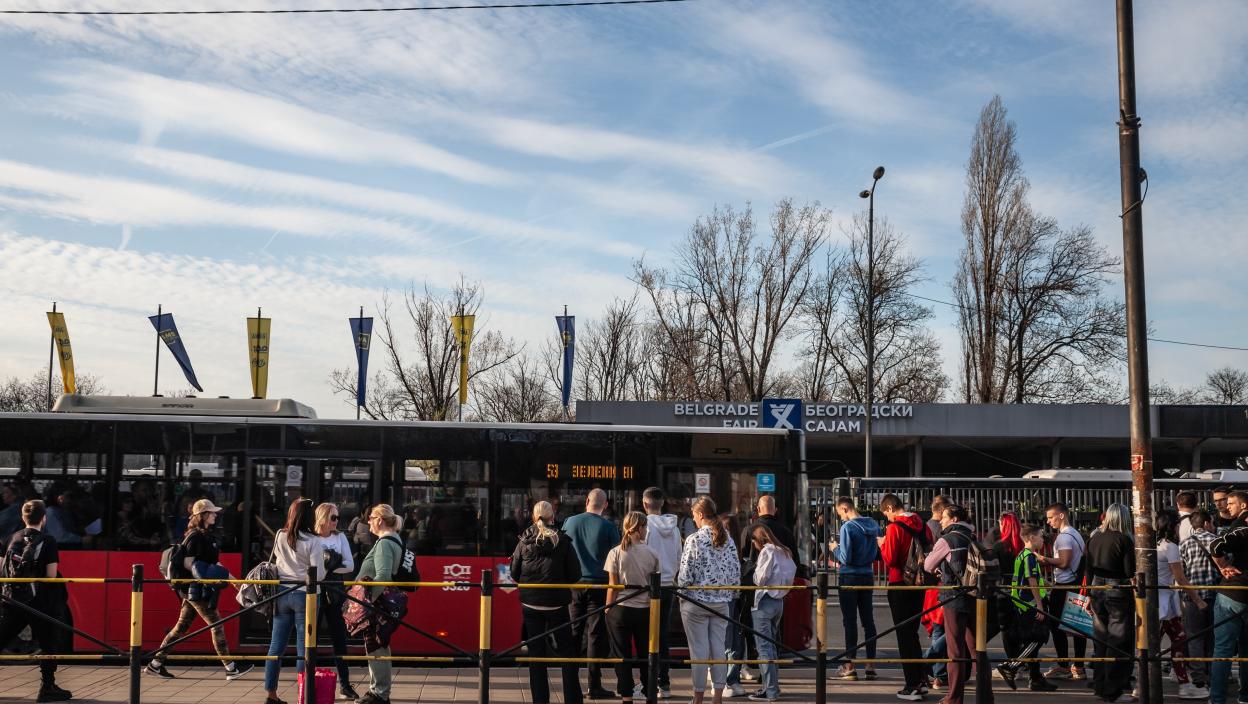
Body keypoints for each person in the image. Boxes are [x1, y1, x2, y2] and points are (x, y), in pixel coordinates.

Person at [146, 499, 253, 682]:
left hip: (195, 590)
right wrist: (207, 575)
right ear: (203, 515)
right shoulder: (195, 537)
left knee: (181, 627)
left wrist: (234, 581)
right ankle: (231, 668)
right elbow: (189, 563)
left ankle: (155, 664)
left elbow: (214, 563)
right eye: (212, 512)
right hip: (196, 590)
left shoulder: (206, 536)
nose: (215, 515)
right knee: (216, 624)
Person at [511, 501, 584, 704]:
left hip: (531, 605)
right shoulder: (563, 541)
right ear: (553, 516)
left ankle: (540, 699)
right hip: (557, 605)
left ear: (534, 517)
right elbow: (575, 575)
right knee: (567, 653)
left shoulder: (523, 541)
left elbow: (514, 574)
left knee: (536, 654)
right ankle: (572, 699)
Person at [0, 500, 72, 702]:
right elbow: (51, 575)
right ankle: (47, 687)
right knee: (49, 643)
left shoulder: (11, 538)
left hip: (13, 601)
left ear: (23, 517)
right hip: (39, 604)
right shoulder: (48, 541)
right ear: (44, 518)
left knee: (2, 638)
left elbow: (1, 569)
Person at [924, 504, 994, 704]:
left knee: (955, 651)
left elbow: (928, 565)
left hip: (954, 598)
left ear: (954, 519)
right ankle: (985, 696)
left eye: (944, 517)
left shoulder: (947, 540)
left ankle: (954, 698)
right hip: (976, 598)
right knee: (977, 649)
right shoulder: (973, 537)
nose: (941, 521)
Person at [677, 496, 740, 704]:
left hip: (696, 602)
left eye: (694, 515)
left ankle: (698, 698)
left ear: (701, 514)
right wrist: (730, 594)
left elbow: (685, 575)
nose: (693, 519)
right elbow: (735, 573)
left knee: (699, 652)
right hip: (721, 603)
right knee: (718, 650)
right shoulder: (728, 539)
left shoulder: (694, 539)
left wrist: (682, 596)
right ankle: (718, 697)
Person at [264, 498, 325, 704]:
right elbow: (318, 574)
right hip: (305, 596)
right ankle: (303, 695)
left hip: (282, 593)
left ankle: (271, 694)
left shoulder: (280, 535)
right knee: (304, 648)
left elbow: (276, 561)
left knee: (276, 647)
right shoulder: (314, 541)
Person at [563, 488, 622, 701]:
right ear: (605, 505)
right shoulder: (609, 527)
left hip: (574, 586)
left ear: (587, 501)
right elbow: (617, 558)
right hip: (599, 586)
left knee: (573, 633)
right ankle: (594, 685)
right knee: (595, 635)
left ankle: (570, 684)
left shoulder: (569, 522)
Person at [879, 493, 933, 698]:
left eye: (886, 514)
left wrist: (882, 544)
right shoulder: (922, 524)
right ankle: (920, 679)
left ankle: (912, 685)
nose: (887, 518)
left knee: (904, 635)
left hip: (899, 582)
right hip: (918, 583)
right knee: (912, 632)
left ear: (890, 508)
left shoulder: (894, 528)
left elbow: (891, 559)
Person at [605, 511, 659, 704]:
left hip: (620, 609)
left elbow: (613, 586)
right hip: (644, 610)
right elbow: (655, 585)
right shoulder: (652, 554)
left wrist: (607, 608)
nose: (647, 531)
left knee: (622, 655)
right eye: (646, 527)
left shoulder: (615, 553)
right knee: (646, 654)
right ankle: (649, 691)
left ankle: (626, 696)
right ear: (640, 528)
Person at [995, 522, 1055, 692]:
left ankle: (1035, 678)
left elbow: (1031, 579)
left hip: (1023, 604)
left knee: (1031, 640)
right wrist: (1039, 606)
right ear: (1031, 538)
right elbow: (1032, 581)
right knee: (1038, 638)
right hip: (1030, 605)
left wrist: (1049, 586)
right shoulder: (1029, 557)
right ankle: (1011, 666)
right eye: (1041, 536)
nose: (1043, 539)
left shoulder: (1022, 555)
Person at [1085, 504, 1136, 703]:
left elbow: (1088, 568)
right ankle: (1113, 689)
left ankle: (1099, 684)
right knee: (1118, 639)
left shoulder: (1094, 537)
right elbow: (1129, 571)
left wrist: (1088, 593)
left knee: (1101, 638)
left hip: (1096, 587)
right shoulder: (1124, 539)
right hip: (1117, 588)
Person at [827, 496, 880, 684]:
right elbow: (876, 553)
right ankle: (870, 666)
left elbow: (845, 558)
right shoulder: (873, 524)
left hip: (849, 576)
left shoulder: (847, 528)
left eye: (839, 513)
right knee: (868, 621)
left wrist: (835, 548)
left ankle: (850, 666)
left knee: (850, 621)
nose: (840, 517)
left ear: (844, 508)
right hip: (867, 574)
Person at [1155, 509, 1206, 700]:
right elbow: (1181, 578)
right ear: (1173, 527)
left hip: (1162, 604)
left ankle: (1184, 683)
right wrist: (1198, 600)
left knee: (1178, 640)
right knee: (1172, 642)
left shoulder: (1156, 545)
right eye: (1177, 525)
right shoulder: (1171, 547)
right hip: (1163, 605)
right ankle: (1147, 686)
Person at [356, 504, 404, 704]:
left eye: (371, 518)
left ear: (380, 520)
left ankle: (379, 693)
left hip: (376, 604)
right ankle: (378, 690)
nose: (368, 521)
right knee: (378, 645)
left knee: (376, 646)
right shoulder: (394, 539)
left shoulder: (385, 543)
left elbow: (383, 575)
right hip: (380, 602)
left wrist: (366, 603)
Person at [1036, 501, 1087, 681]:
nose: (1048, 522)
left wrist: (1044, 559)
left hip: (1064, 585)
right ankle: (1079, 667)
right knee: (1077, 627)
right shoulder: (1075, 534)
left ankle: (1064, 666)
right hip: (1076, 584)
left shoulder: (1064, 537)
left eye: (1051, 517)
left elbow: (1064, 562)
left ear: (1062, 515)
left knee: (1056, 626)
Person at [315, 502, 360, 701]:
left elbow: (349, 565)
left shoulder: (340, 537)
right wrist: (332, 564)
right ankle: (309, 681)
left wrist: (326, 568)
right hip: (315, 591)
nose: (336, 521)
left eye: (337, 517)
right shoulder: (311, 537)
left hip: (334, 590)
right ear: (322, 518)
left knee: (339, 638)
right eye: (333, 517)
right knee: (311, 638)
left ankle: (345, 685)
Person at [748, 523, 796, 703]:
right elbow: (791, 573)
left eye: (753, 541)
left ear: (759, 539)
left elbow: (760, 579)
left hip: (764, 600)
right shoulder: (785, 551)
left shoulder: (767, 551)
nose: (754, 545)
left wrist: (754, 573)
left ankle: (770, 691)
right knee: (772, 646)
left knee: (764, 648)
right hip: (779, 601)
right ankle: (772, 687)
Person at [642, 486, 681, 700]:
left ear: (645, 504)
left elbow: (643, 556)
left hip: (649, 586)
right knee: (662, 634)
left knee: (646, 634)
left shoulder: (644, 527)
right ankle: (664, 683)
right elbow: (679, 557)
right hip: (668, 586)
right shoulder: (674, 529)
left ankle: (647, 682)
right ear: (662, 503)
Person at [1209, 490, 1248, 704]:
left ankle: (1217, 699)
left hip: (1233, 593)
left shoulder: (1242, 526)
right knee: (1246, 650)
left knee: (1223, 649)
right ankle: (1245, 696)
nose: (1226, 506)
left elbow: (1215, 545)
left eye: (1231, 503)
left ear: (1243, 506)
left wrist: (1222, 565)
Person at [1179, 509, 1219, 697]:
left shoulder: (1184, 544)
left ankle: (1198, 677)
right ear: (1206, 523)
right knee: (1213, 637)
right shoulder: (1216, 541)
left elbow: (1181, 573)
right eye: (1212, 523)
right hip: (1214, 596)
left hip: (1192, 597)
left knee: (1194, 637)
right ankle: (1213, 673)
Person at [720, 513, 750, 697]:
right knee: (731, 640)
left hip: (728, 597)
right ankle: (728, 680)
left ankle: (729, 680)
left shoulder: (728, 546)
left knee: (731, 641)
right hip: (731, 597)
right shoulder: (735, 547)